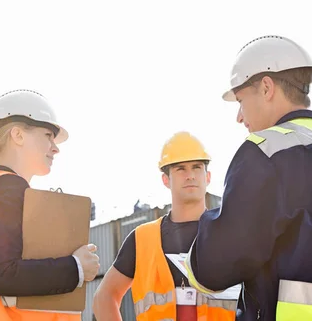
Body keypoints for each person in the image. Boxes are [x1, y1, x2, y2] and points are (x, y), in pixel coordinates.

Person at [184, 35, 312, 321]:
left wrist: (211, 224)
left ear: (266, 88)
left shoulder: (265, 152)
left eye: (240, 100)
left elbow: (212, 268)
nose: (239, 116)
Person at [0, 89, 100, 321]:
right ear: (18, 135)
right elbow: (3, 275)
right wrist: (76, 267)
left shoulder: (3, 187)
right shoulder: (8, 187)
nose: (55, 147)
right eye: (48, 135)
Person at [92, 131, 237, 321]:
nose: (190, 175)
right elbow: (104, 297)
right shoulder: (142, 239)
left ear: (208, 177)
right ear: (166, 180)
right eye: (180, 169)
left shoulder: (232, 233)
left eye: (196, 167)